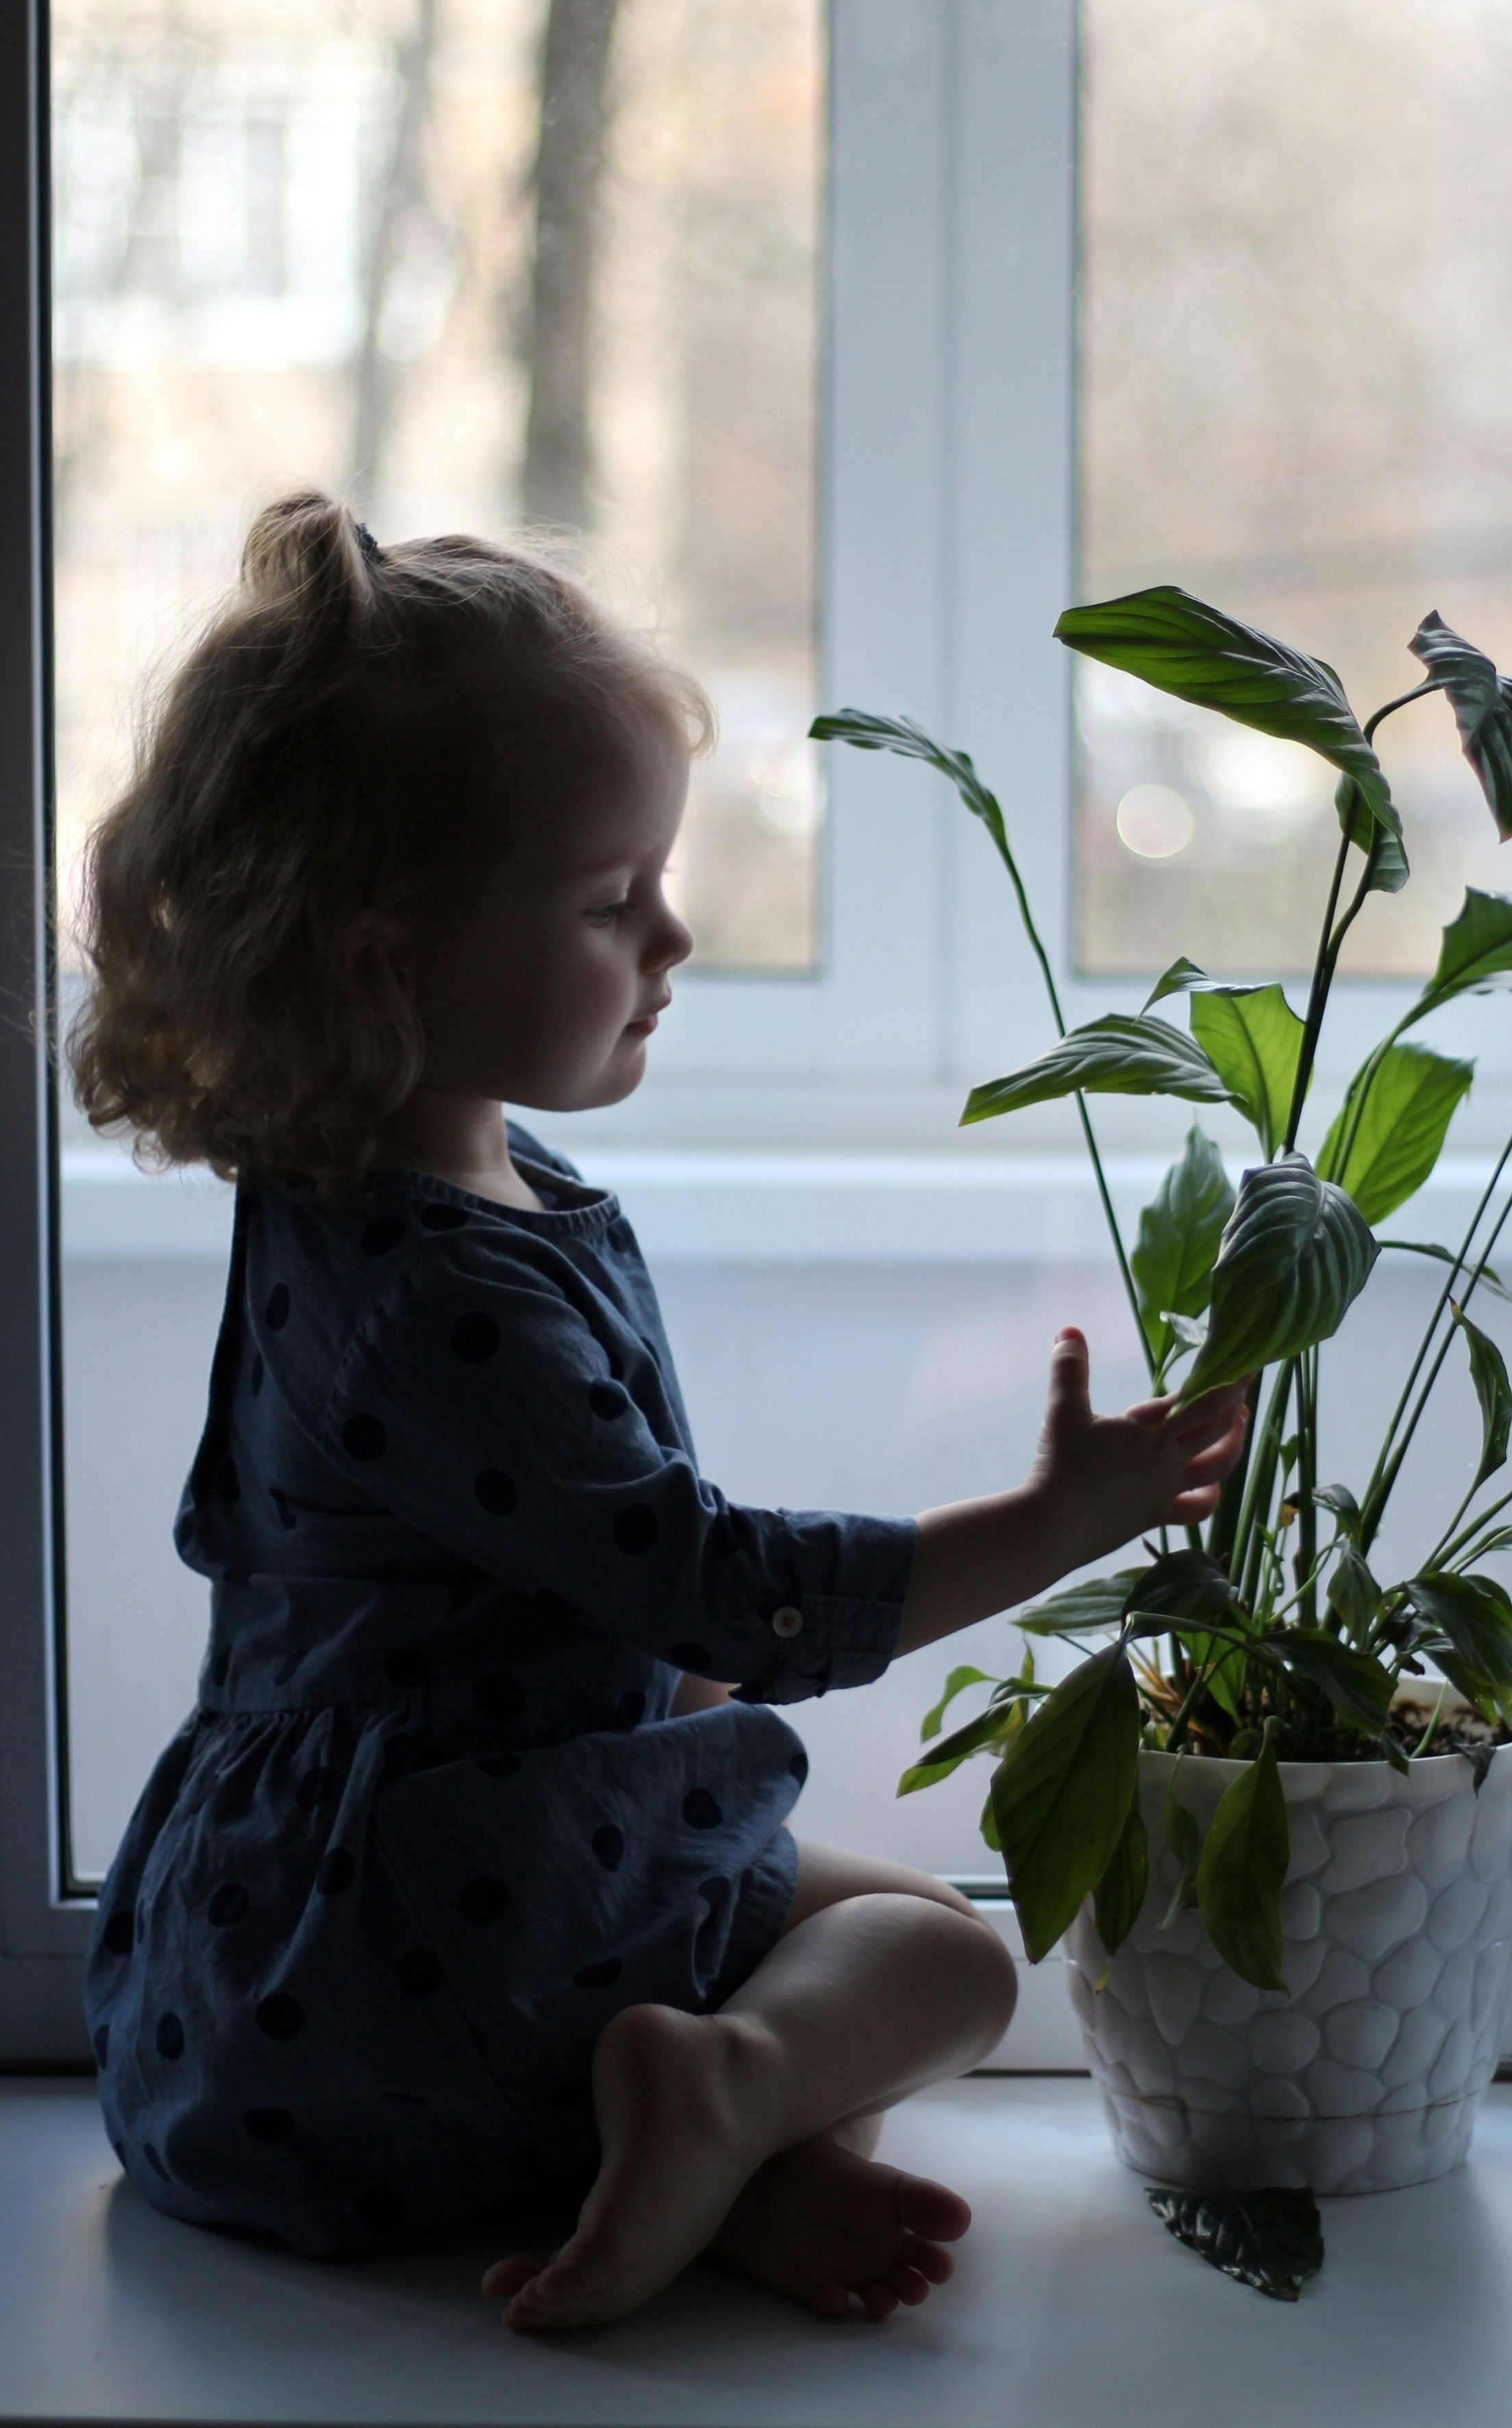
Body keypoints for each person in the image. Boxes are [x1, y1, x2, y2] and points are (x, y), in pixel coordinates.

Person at [71, 494, 1248, 2330]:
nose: (676, 937)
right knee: (941, 1955)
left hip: (265, 1975)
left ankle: (703, 2161)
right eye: (612, 902)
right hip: (425, 1953)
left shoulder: (345, 1188)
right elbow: (719, 1589)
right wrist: (1052, 1523)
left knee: (856, 1944)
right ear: (389, 955)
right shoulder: (447, 1303)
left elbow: (516, 1576)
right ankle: (732, 2106)